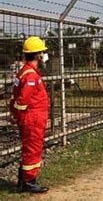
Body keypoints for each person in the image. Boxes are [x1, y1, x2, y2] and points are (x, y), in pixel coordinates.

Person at [9, 37, 49, 193]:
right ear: (38, 55)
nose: (44, 55)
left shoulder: (24, 71)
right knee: (33, 148)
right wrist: (18, 114)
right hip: (32, 117)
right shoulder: (31, 76)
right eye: (43, 52)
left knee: (28, 148)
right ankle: (29, 182)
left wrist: (15, 114)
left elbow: (15, 97)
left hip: (29, 117)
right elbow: (23, 99)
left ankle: (23, 180)